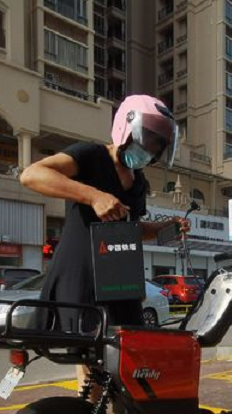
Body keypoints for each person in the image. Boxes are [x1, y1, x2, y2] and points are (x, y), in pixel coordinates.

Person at [20, 94, 189, 396]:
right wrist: (93, 196)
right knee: (91, 360)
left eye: (157, 146)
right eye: (147, 140)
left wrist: (163, 230)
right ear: (127, 127)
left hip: (120, 282)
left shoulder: (138, 183)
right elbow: (32, 175)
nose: (149, 151)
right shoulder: (90, 156)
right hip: (83, 275)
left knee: (130, 357)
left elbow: (130, 230)